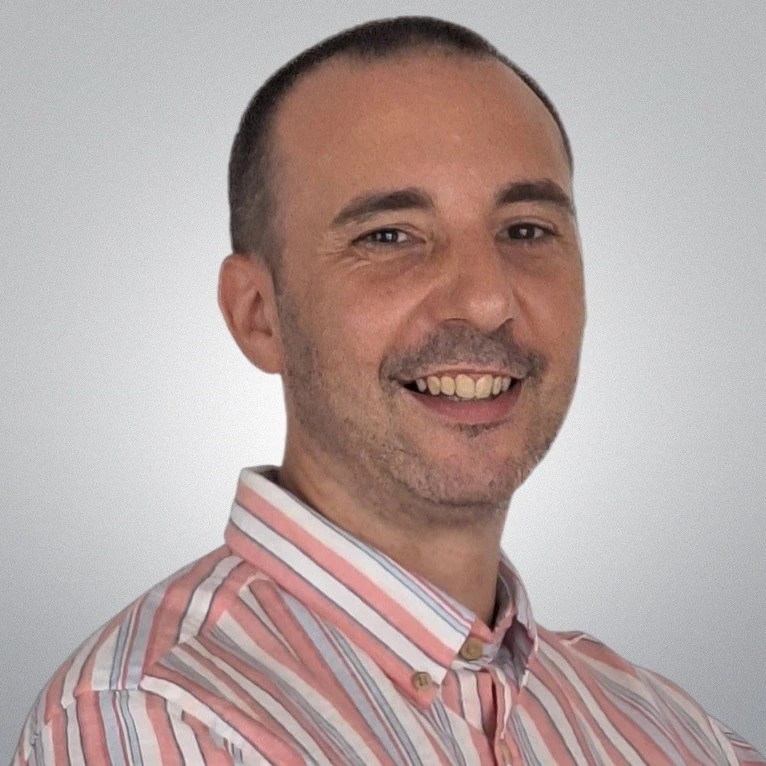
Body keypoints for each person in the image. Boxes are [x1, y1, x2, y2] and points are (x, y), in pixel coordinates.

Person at [12, 16, 764, 766]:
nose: (485, 300)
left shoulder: (675, 734)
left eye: (526, 230)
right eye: (390, 236)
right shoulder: (157, 718)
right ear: (259, 315)